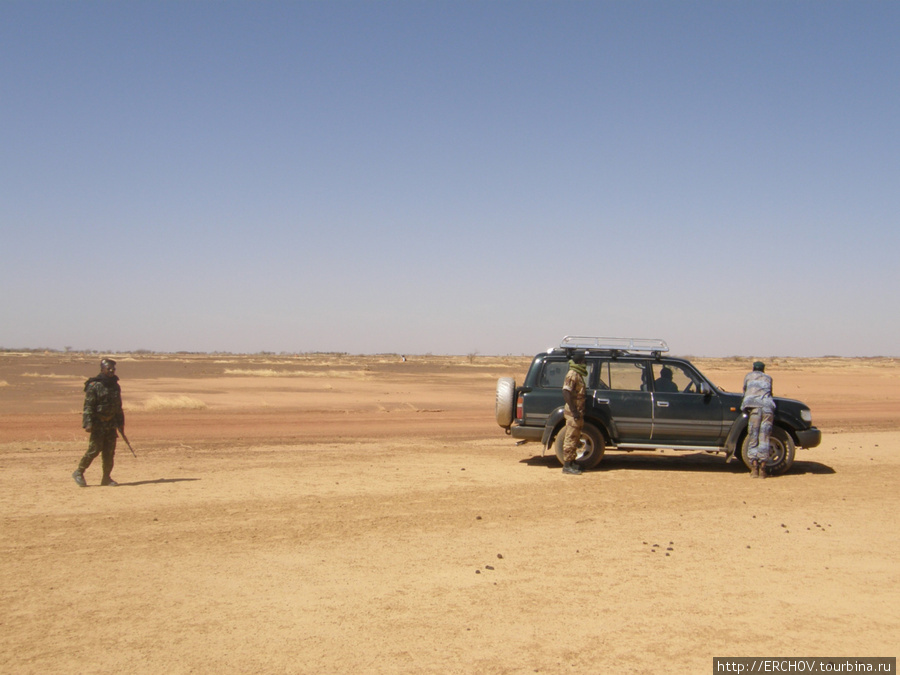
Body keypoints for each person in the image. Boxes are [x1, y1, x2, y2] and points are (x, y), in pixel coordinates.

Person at [72, 358, 125, 487]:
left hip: (111, 424)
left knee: (109, 452)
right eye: (109, 368)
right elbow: (88, 406)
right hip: (98, 424)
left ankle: (106, 478)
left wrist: (121, 423)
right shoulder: (94, 385)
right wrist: (88, 423)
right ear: (102, 369)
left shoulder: (115, 385)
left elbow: (118, 406)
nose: (112, 371)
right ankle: (79, 472)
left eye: (113, 368)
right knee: (94, 450)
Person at [742, 361, 775, 479]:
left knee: (753, 436)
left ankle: (754, 467)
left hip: (754, 409)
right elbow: (770, 393)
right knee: (764, 437)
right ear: (763, 369)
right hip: (767, 409)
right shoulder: (768, 378)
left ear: (753, 368)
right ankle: (763, 469)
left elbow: (745, 391)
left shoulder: (749, 376)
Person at [561, 350, 588, 475]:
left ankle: (572, 462)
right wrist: (574, 410)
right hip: (573, 413)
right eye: (584, 360)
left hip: (578, 412)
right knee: (570, 438)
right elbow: (566, 392)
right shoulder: (572, 374)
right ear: (580, 361)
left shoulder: (578, 374)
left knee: (576, 438)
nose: (585, 363)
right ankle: (567, 465)